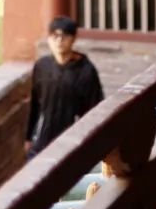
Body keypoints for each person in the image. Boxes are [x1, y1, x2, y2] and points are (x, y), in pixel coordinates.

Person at [25, 16, 104, 158]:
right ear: (49, 38)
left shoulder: (85, 70)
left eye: (64, 36)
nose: (59, 41)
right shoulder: (42, 66)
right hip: (41, 141)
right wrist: (28, 137)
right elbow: (35, 104)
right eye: (54, 36)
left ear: (73, 39)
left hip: (71, 142)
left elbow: (94, 109)